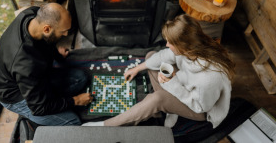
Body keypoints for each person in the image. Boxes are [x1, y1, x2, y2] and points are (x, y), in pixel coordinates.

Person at [83, 14, 235, 128]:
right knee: (151, 57)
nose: (167, 45)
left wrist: (173, 84)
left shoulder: (209, 78)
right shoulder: (192, 47)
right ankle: (167, 107)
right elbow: (165, 55)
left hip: (200, 109)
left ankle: (106, 125)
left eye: (171, 42)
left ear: (183, 45)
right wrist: (137, 68)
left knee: (157, 98)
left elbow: (201, 107)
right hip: (185, 86)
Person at [0, 3, 93, 126]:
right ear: (46, 29)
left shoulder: (33, 14)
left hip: (37, 77)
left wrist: (57, 56)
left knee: (80, 78)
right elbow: (39, 108)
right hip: (17, 96)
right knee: (73, 122)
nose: (66, 35)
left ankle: (53, 98)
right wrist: (75, 101)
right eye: (63, 32)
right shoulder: (26, 64)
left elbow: (48, 41)